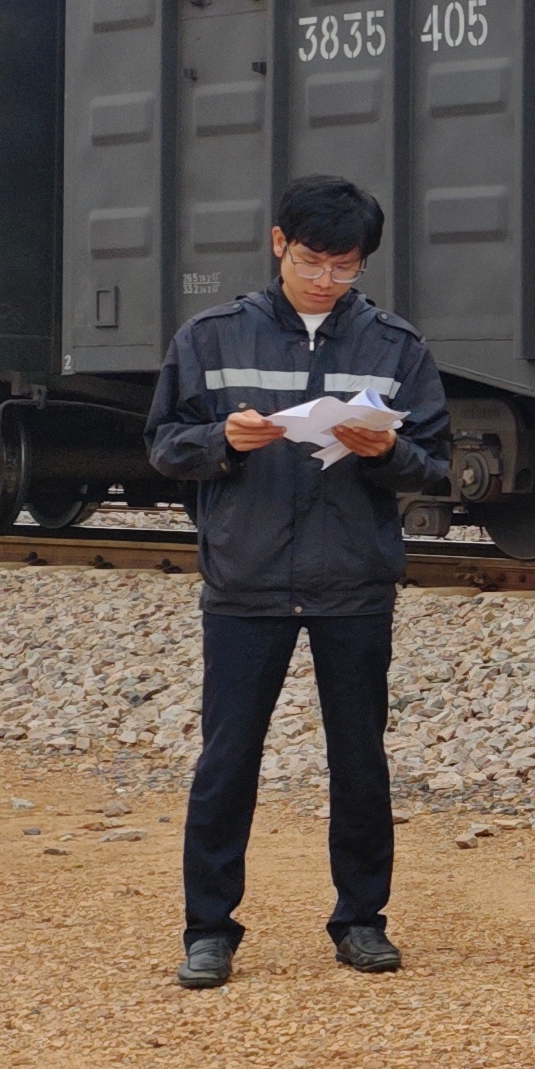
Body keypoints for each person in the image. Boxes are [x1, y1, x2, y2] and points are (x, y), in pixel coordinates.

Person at [145, 174, 450, 990]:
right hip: (245, 583)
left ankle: (361, 921)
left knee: (360, 760)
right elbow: (163, 445)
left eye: (345, 267)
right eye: (314, 260)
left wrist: (390, 455)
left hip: (352, 582)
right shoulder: (210, 338)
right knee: (226, 760)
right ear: (279, 243)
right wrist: (223, 440)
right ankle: (209, 930)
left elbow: (439, 465)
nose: (327, 279)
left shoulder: (397, 347)